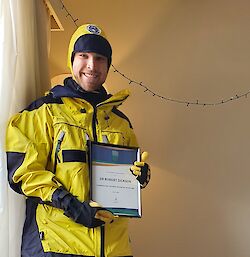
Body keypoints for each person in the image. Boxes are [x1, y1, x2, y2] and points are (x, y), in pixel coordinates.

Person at [6, 23, 151, 257]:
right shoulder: (43, 112)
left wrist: (140, 177)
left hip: (115, 249)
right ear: (72, 59)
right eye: (84, 55)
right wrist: (71, 205)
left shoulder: (121, 123)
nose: (92, 65)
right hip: (56, 245)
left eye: (100, 58)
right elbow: (23, 173)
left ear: (108, 65)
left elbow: (126, 179)